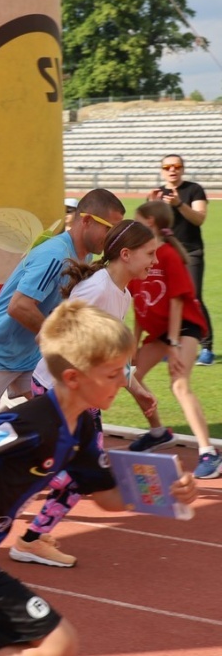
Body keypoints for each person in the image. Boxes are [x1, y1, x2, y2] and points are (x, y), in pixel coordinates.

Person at [0, 301, 198, 656]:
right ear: (73, 377)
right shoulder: (30, 426)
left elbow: (108, 497)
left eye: (123, 369)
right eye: (112, 374)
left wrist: (166, 490)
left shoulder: (80, 430)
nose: (121, 381)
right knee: (57, 641)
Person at [9, 220, 159, 568]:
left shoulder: (119, 292)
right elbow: (53, 338)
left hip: (80, 396)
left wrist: (136, 388)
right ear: (126, 254)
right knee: (82, 472)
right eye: (149, 254)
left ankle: (32, 536)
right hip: (60, 393)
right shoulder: (96, 291)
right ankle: (22, 531)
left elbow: (106, 352)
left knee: (82, 469)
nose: (153, 261)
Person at [0, 189, 125, 424]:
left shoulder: (84, 258)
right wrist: (60, 340)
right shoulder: (55, 255)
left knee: (43, 420)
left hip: (29, 355)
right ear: (87, 221)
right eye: (109, 229)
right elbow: (19, 307)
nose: (112, 238)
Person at [126, 200, 218, 479]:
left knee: (179, 384)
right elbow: (139, 306)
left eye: (137, 218)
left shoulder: (166, 255)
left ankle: (208, 453)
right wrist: (134, 344)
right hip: (159, 331)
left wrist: (175, 346)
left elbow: (178, 300)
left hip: (185, 327)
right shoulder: (137, 257)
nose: (133, 221)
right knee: (129, 376)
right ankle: (157, 432)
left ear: (150, 223)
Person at [148, 154, 212, 365]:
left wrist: (179, 204)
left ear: (183, 169)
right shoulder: (158, 194)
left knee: (193, 297)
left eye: (177, 166)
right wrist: (152, 205)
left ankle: (207, 348)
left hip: (191, 252)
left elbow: (199, 218)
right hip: (166, 254)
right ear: (162, 170)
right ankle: (170, 343)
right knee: (167, 300)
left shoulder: (194, 190)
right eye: (167, 166)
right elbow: (149, 225)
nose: (172, 170)